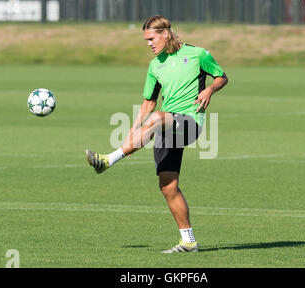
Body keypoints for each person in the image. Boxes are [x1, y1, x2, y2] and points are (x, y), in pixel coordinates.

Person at [86, 15, 228, 253]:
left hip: (190, 122)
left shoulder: (198, 54)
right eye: (146, 40)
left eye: (151, 38)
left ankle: (108, 161)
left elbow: (222, 76)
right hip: (165, 127)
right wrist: (133, 131)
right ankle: (189, 241)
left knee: (157, 119)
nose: (149, 44)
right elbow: (149, 102)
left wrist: (210, 90)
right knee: (168, 186)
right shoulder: (155, 65)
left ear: (166, 33)